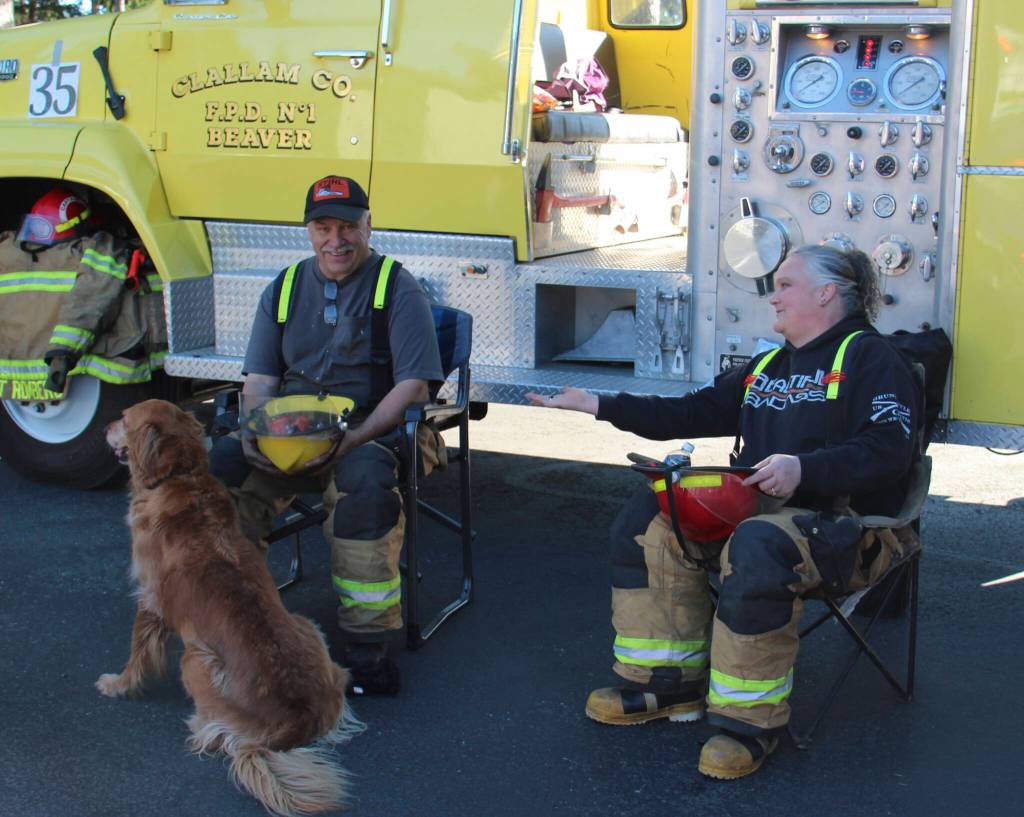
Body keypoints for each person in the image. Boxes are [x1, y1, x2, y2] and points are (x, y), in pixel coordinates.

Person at [527, 244, 921, 779]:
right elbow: (691, 410)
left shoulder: (873, 359)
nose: (772, 294)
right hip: (763, 515)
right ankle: (665, 685)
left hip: (846, 530)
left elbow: (889, 453)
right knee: (650, 519)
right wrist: (599, 404)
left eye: (785, 284)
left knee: (759, 544)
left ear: (827, 293)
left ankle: (750, 725)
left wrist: (804, 469)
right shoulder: (767, 364)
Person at [210, 175, 444, 695]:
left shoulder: (397, 286)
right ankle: (231, 626)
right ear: (308, 231)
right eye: (322, 227)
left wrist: (355, 439)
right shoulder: (286, 286)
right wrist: (252, 436)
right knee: (217, 477)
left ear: (368, 225)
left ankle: (368, 650)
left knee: (364, 489)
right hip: (289, 436)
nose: (335, 240)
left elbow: (414, 385)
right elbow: (261, 381)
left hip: (373, 429)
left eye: (347, 226)